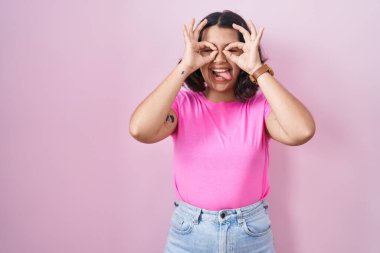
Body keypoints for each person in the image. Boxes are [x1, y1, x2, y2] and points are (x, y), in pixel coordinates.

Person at [129, 10, 315, 253]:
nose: (219, 59)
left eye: (232, 50)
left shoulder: (260, 107)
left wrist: (257, 70)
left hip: (251, 234)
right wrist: (185, 66)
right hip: (190, 234)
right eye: (208, 50)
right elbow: (140, 130)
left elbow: (302, 131)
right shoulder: (183, 105)